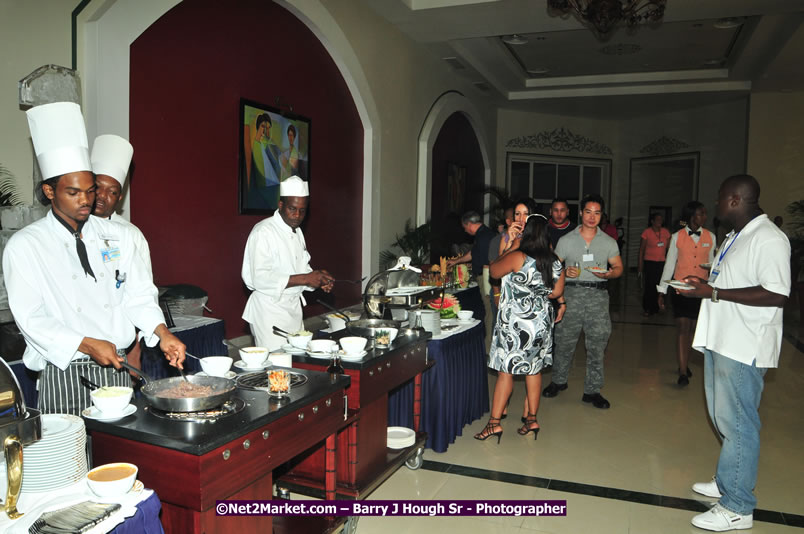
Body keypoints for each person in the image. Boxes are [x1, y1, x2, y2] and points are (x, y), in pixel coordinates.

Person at [3, 102, 185, 415]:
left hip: (117, 364)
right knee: (70, 458)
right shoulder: (25, 245)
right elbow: (31, 317)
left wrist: (162, 332)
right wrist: (86, 343)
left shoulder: (121, 237)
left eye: (90, 190)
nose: (87, 200)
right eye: (74, 193)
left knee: (120, 459)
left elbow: (138, 295)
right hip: (63, 370)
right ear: (49, 191)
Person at [680, 175, 790, 532]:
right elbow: (729, 281)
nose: (714, 205)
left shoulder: (769, 238)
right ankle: (728, 480)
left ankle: (739, 505)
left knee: (740, 423)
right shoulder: (736, 236)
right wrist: (706, 286)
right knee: (723, 416)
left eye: (718, 198)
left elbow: (777, 293)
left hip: (744, 343)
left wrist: (713, 294)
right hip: (723, 338)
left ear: (733, 199)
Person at [474, 214, 565, 443]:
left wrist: (511, 246)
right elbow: (556, 293)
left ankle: (494, 424)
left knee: (506, 372)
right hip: (541, 325)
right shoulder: (554, 261)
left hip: (515, 326)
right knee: (534, 371)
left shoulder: (518, 257)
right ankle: (532, 419)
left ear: (527, 234)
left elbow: (494, 272)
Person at [542, 194, 623, 409]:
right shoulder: (567, 240)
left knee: (597, 343)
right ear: (580, 213)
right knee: (564, 340)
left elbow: (618, 268)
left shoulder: (609, 242)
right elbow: (553, 268)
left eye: (597, 213)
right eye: (588, 212)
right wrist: (564, 272)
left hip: (598, 296)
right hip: (571, 294)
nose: (592, 217)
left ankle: (592, 390)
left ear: (601, 215)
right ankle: (558, 381)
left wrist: (609, 274)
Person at [242, 175, 334, 350]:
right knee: (277, 369)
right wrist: (306, 279)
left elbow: (302, 271)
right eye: (292, 209)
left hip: (293, 310)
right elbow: (259, 278)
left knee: (297, 366)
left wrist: (318, 279)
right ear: (281, 205)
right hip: (269, 311)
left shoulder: (297, 232)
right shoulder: (263, 231)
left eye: (302, 210)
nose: (297, 215)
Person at [91, 134, 154, 371]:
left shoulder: (130, 235)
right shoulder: (70, 230)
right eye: (97, 187)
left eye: (112, 191)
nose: (102, 196)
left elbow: (140, 294)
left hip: (120, 345)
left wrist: (135, 351)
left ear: (119, 197)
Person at [657, 201, 716, 386]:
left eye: (705, 214)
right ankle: (682, 372)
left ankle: (685, 363)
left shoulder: (711, 237)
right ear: (692, 216)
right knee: (683, 328)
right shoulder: (677, 237)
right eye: (701, 213)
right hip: (680, 289)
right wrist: (661, 291)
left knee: (692, 330)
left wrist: (713, 287)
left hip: (701, 291)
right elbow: (669, 264)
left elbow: (713, 265)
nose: (704, 217)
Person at [448, 211, 496, 345]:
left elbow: (485, 259)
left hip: (486, 277)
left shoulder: (485, 236)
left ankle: (488, 346)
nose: (465, 230)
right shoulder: (483, 234)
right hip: (484, 276)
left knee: (489, 310)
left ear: (469, 224)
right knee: (489, 310)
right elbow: (473, 254)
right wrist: (457, 261)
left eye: (464, 227)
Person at [638, 213, 671, 317]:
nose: (659, 221)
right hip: (650, 262)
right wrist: (640, 265)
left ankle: (658, 307)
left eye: (661, 219)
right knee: (649, 286)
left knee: (660, 285)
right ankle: (648, 308)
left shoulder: (666, 232)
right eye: (657, 219)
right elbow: (641, 250)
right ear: (652, 221)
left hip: (662, 263)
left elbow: (670, 250)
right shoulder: (647, 232)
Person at [488, 206, 514, 323]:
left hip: (517, 292)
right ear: (509, 221)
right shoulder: (497, 240)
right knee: (498, 325)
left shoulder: (526, 239)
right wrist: (497, 293)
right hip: (501, 290)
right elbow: (493, 270)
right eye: (517, 216)